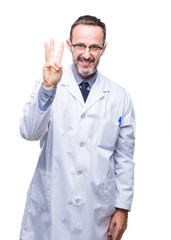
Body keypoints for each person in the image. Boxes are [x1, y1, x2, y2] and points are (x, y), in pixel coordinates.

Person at [19, 15, 135, 240]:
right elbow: (28, 132)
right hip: (51, 207)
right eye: (80, 45)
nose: (86, 54)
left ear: (104, 48)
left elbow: (124, 158)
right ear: (69, 46)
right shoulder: (50, 86)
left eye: (94, 47)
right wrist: (48, 88)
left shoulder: (119, 97)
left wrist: (122, 208)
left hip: (97, 212)